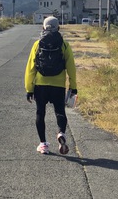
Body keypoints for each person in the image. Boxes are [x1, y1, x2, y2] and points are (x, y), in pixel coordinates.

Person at [24, 16, 77, 155]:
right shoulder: (64, 44)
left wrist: (29, 89)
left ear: (43, 28)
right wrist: (73, 86)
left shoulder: (37, 44)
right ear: (58, 28)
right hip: (58, 85)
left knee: (40, 113)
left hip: (40, 85)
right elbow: (71, 67)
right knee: (60, 111)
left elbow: (30, 68)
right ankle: (61, 133)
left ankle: (43, 145)